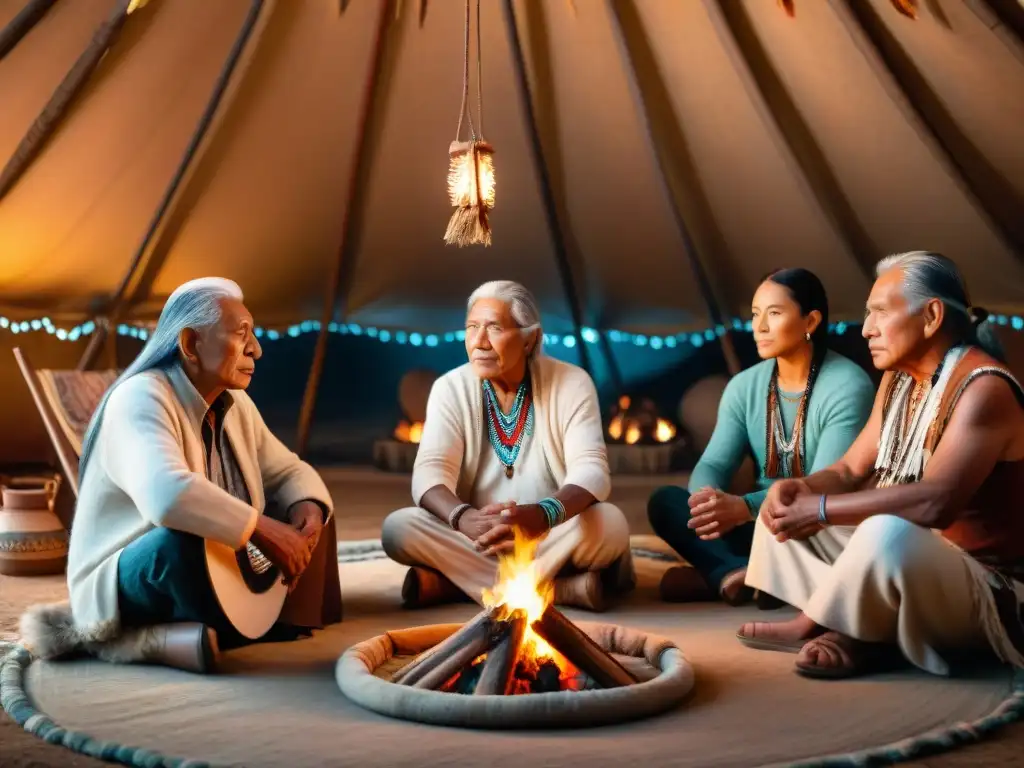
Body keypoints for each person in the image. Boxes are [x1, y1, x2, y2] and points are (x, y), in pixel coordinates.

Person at [19, 278, 337, 674]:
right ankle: (145, 638)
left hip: (215, 554)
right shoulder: (140, 397)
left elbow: (287, 469)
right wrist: (264, 530)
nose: (256, 348)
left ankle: (254, 622)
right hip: (129, 571)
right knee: (184, 539)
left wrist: (305, 507)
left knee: (313, 511)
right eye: (242, 334)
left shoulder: (235, 402)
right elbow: (167, 496)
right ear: (190, 344)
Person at [738, 251, 1024, 679]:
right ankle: (866, 625)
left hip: (985, 587)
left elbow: (936, 503)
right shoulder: (899, 380)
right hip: (911, 558)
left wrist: (819, 510)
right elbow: (851, 470)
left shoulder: (983, 388)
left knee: (884, 529)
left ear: (931, 316)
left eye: (879, 313)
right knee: (776, 512)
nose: (867, 328)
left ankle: (831, 623)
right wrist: (803, 489)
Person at [382, 280, 633, 611]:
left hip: (550, 533)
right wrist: (464, 518)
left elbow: (593, 472)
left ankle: (461, 585)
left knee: (609, 523)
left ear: (530, 339)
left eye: (494, 328)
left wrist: (542, 515)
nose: (479, 342)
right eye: (472, 328)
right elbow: (429, 475)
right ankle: (559, 589)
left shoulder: (572, 383)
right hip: (478, 538)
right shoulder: (449, 388)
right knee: (399, 528)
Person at [648, 269, 874, 604]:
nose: (760, 327)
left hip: (813, 527)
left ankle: (729, 574)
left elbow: (827, 482)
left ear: (810, 322)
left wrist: (742, 508)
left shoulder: (847, 385)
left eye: (775, 313)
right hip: (756, 524)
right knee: (665, 502)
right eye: (755, 315)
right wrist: (707, 501)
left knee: (814, 527)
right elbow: (713, 461)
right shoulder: (744, 386)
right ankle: (739, 574)